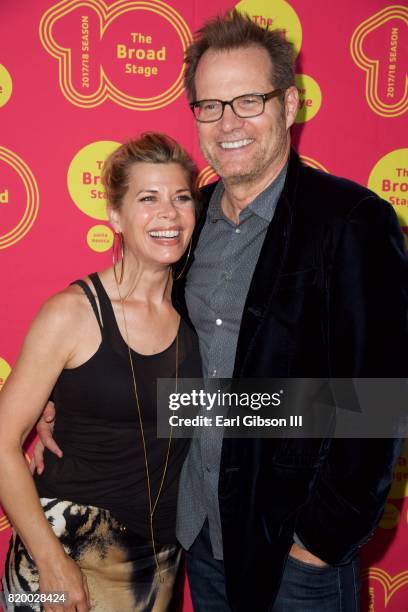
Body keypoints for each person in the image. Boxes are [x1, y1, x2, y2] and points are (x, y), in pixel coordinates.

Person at [33, 10, 407, 612]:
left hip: (294, 551)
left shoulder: (350, 222)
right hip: (199, 537)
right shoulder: (186, 220)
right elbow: (158, 352)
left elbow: (378, 400)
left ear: (289, 106)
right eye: (210, 105)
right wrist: (68, 400)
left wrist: (318, 539)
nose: (228, 123)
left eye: (248, 101)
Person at [0, 133, 202, 612]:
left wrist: (374, 411)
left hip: (160, 560)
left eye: (181, 198)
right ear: (115, 215)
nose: (169, 214)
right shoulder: (72, 313)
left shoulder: (199, 314)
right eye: (148, 198)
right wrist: (51, 564)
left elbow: (216, 412)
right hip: (61, 555)